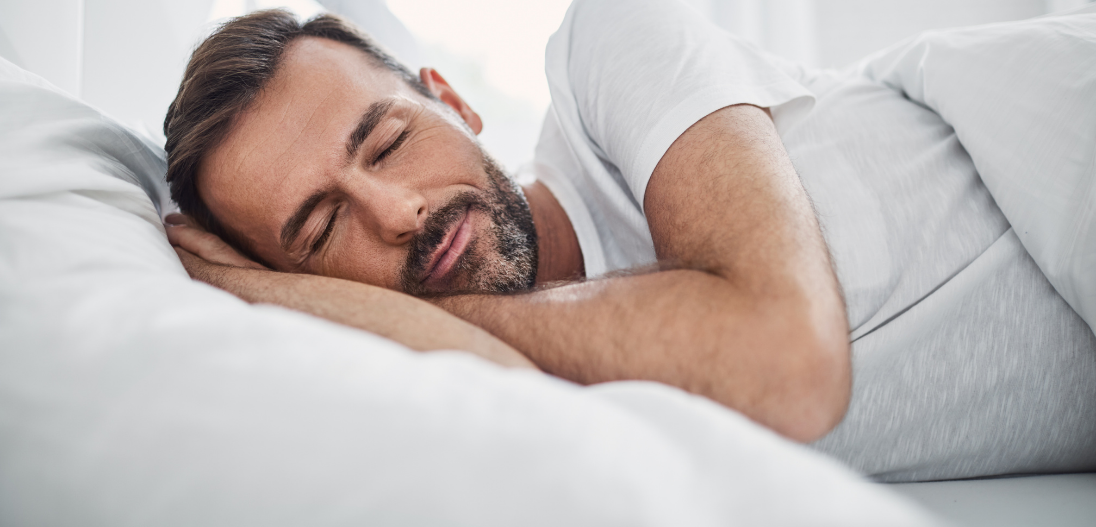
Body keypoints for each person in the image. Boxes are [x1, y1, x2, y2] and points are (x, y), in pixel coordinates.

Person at [163, 0, 1096, 456]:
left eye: (391, 141)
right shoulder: (517, 400)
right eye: (324, 233)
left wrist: (307, 294)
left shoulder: (611, 45)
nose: (398, 213)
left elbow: (784, 364)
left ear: (451, 100)